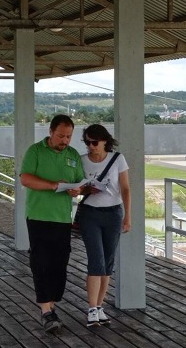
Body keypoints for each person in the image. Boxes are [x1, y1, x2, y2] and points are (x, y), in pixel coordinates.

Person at [20, 114, 85, 334]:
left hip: (63, 219)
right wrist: (52, 185)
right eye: (60, 136)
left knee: (60, 264)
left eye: (68, 136)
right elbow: (25, 179)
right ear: (50, 132)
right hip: (38, 216)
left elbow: (80, 183)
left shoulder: (74, 155)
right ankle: (47, 311)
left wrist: (78, 189)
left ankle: (52, 305)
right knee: (41, 263)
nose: (64, 140)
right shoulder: (35, 151)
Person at [77, 124, 130, 327]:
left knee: (107, 263)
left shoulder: (117, 159)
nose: (91, 146)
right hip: (90, 214)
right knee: (96, 261)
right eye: (87, 142)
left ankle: (99, 307)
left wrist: (128, 217)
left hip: (113, 213)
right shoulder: (82, 161)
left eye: (94, 142)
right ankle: (91, 308)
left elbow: (125, 189)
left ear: (105, 141)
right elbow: (77, 188)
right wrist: (87, 189)